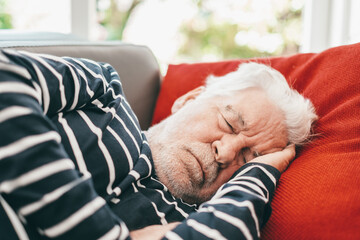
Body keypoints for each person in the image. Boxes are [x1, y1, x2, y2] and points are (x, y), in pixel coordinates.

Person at [0, 48, 317, 240]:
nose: (225, 152)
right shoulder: (103, 93)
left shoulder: (196, 220)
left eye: (248, 159)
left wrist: (260, 174)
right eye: (230, 123)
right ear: (188, 99)